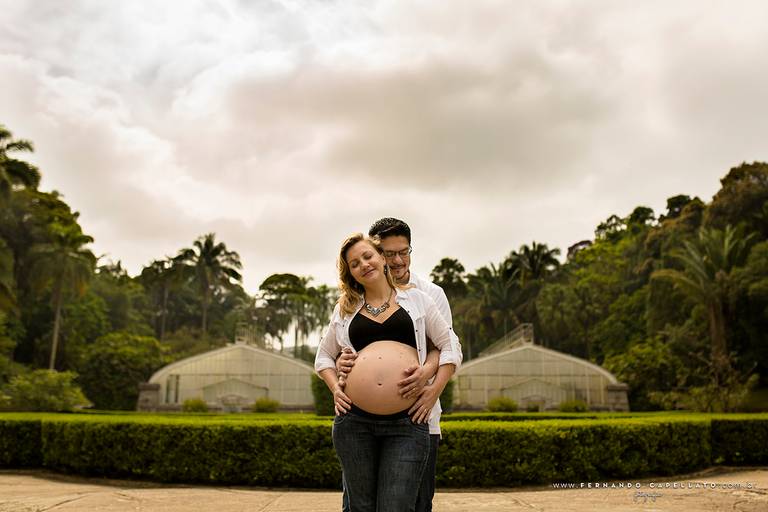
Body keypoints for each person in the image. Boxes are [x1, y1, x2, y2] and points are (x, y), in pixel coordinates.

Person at [315, 233, 460, 512]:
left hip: (407, 424)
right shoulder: (345, 309)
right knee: (360, 508)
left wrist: (433, 390)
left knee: (395, 507)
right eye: (354, 263)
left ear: (381, 258)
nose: (364, 265)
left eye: (367, 256)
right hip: (354, 424)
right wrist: (335, 388)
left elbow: (449, 345)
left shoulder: (418, 300)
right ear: (351, 273)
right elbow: (323, 357)